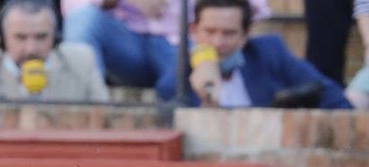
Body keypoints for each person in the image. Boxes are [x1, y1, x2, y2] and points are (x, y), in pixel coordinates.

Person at [61, 0, 271, 101]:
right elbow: (74, 6)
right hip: (125, 39)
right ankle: (81, 113)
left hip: (185, 41)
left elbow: (255, 8)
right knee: (84, 20)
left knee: (205, 58)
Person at [181, 0, 354, 107]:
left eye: (229, 33)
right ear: (194, 31)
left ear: (245, 35)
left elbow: (333, 98)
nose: (218, 42)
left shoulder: (269, 52)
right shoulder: (180, 70)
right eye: (210, 32)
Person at [0, 0, 110, 101]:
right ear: (1, 38)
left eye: (41, 37)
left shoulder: (83, 62)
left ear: (56, 37)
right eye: (20, 37)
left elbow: (105, 119)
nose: (31, 49)